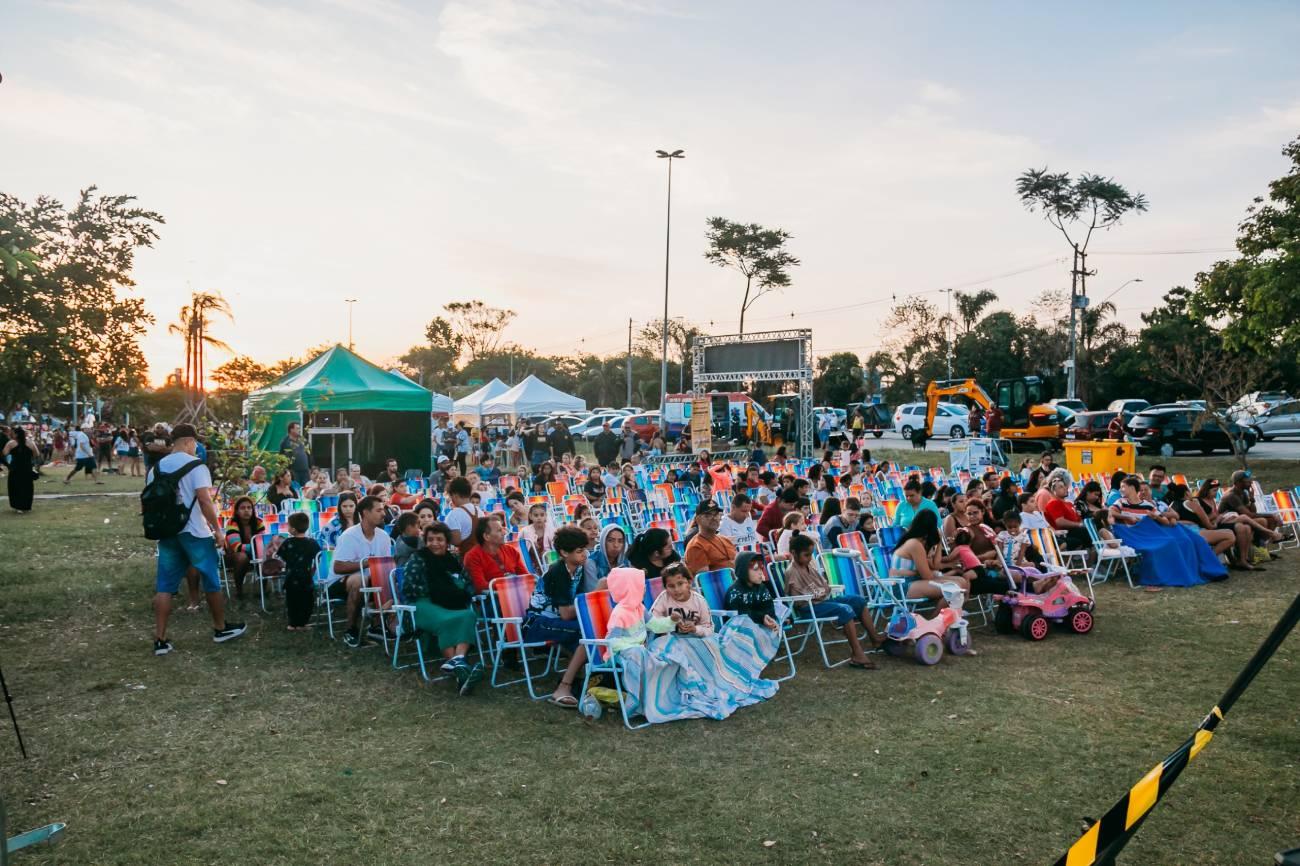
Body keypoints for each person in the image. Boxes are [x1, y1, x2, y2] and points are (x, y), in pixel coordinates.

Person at [148, 424, 245, 655]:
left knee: (165, 586)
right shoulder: (197, 466)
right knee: (211, 579)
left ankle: (160, 640)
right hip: (195, 532)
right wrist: (218, 531)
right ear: (189, 441)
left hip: (168, 533)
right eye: (196, 442)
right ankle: (220, 629)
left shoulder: (156, 468)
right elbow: (204, 501)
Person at [402, 522, 483, 694]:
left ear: (447, 542)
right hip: (424, 604)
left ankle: (458, 664)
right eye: (430, 539)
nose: (434, 543)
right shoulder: (418, 559)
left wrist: (455, 593)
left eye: (439, 539)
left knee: (468, 615)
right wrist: (436, 591)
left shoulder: (453, 560)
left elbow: (468, 584)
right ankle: (460, 666)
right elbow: (408, 588)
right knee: (448, 621)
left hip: (450, 603)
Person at [1108, 476, 1227, 587]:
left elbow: (1166, 520)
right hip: (1136, 535)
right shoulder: (1121, 502)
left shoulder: (1148, 505)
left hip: (1151, 533)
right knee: (1171, 543)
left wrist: (1155, 517)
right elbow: (1111, 512)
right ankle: (1170, 575)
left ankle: (1196, 571)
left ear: (1132, 488)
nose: (1120, 489)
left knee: (1184, 541)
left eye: (1123, 486)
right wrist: (1128, 518)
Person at [783, 533, 880, 667]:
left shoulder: (808, 566)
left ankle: (875, 638)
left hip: (821, 602)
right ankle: (857, 654)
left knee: (858, 600)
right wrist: (821, 593)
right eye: (806, 555)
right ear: (794, 553)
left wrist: (822, 592)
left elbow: (824, 586)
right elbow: (798, 599)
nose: (809, 558)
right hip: (809, 608)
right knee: (845, 609)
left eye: (811, 554)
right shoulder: (792, 572)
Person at [524, 525, 590, 707]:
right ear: (564, 553)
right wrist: (592, 600)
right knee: (587, 634)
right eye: (579, 551)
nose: (584, 554)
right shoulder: (559, 572)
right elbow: (567, 613)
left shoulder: (577, 568)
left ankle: (577, 681)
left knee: (590, 632)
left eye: (584, 549)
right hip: (537, 624)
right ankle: (564, 687)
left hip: (554, 621)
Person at [331, 495, 395, 647]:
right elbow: (338, 567)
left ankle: (377, 625)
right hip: (340, 583)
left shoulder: (384, 537)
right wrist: (367, 563)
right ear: (365, 513)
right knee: (360, 579)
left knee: (388, 577)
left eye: (383, 510)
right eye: (379, 510)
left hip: (370, 580)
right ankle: (350, 630)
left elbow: (384, 567)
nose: (383, 514)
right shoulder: (349, 536)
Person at [888, 509, 967, 607]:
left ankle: (948, 616)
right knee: (955, 589)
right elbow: (927, 576)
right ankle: (937, 618)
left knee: (962, 582)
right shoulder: (914, 544)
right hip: (902, 587)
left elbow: (935, 566)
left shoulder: (917, 542)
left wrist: (939, 542)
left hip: (913, 580)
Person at [1166, 483, 1244, 565]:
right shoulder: (1191, 503)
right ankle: (1207, 560)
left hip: (1179, 533)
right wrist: (1218, 519)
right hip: (1193, 532)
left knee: (1227, 532)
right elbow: (1210, 526)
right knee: (1230, 536)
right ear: (1186, 493)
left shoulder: (1171, 505)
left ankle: (1210, 560)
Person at [277, 511, 321, 631]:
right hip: (306, 577)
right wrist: (314, 570)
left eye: (288, 525)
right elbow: (319, 558)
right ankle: (302, 623)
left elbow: (280, 557)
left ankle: (293, 623)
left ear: (293, 529)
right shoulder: (312, 543)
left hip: (291, 577)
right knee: (307, 601)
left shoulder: (288, 542)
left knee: (292, 601)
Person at [464, 515, 528, 593]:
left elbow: (525, 576)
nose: (504, 533)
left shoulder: (511, 551)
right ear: (486, 536)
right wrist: (506, 584)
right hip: (493, 599)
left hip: (518, 593)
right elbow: (480, 586)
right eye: (499, 530)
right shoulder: (472, 557)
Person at [1219, 470, 1284, 545]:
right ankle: (1258, 544)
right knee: (1262, 521)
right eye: (1247, 481)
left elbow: (1253, 512)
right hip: (1227, 523)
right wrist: (1272, 514)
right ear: (1238, 483)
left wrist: (1252, 499)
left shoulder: (1243, 493)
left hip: (1241, 518)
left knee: (1272, 520)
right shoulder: (1231, 496)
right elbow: (1249, 515)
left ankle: (1261, 544)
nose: (1251, 483)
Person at [650, 563, 713, 636]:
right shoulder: (664, 597)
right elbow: (651, 621)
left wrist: (695, 629)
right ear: (665, 588)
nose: (676, 589)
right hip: (669, 642)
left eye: (680, 584)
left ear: (689, 583)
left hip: (695, 641)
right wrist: (670, 621)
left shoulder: (700, 601)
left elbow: (709, 629)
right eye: (671, 586)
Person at [725, 552, 780, 631]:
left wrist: (771, 619)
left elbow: (769, 606)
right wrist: (762, 618)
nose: (760, 572)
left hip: (761, 624)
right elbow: (741, 616)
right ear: (743, 570)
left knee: (778, 608)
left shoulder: (761, 587)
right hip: (739, 632)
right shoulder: (735, 593)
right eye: (755, 568)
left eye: (761, 567)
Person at [223, 496, 265, 600]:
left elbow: (263, 544)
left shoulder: (259, 522)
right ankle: (239, 590)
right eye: (242, 508)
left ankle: (262, 590)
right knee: (242, 557)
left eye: (249, 507)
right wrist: (256, 547)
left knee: (264, 554)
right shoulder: (232, 523)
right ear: (237, 511)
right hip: (231, 556)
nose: (246, 510)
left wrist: (260, 549)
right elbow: (236, 547)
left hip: (253, 554)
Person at [683, 501, 738, 575]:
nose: (714, 518)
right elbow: (705, 581)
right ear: (698, 519)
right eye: (708, 515)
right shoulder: (696, 546)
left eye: (716, 515)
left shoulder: (726, 540)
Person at [1043, 477, 1092, 552]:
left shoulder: (1069, 503)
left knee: (1093, 525)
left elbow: (1078, 519)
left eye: (1065, 486)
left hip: (1074, 531)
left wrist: (1082, 523)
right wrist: (1079, 525)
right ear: (1053, 491)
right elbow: (1060, 522)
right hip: (1064, 533)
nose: (1065, 488)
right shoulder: (1054, 503)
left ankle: (1095, 553)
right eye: (1061, 487)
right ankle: (1093, 556)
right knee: (1085, 531)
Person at [442, 477, 482, 555]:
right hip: (481, 555)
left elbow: (456, 541)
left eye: (450, 496)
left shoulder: (453, 515)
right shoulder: (479, 510)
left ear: (455, 495)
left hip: (466, 556)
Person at [583, 524, 629, 591]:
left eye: (620, 541)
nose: (616, 545)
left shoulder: (626, 562)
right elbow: (591, 595)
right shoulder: (591, 563)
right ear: (603, 541)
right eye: (610, 540)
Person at [4, 426, 36, 514]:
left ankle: (18, 506)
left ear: (17, 434)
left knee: (15, 486)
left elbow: (4, 453)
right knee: (27, 486)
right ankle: (26, 505)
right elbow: (36, 453)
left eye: (13, 433)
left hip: (15, 468)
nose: (12, 434)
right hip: (27, 467)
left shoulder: (11, 443)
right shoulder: (30, 443)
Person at [279, 422, 311, 487]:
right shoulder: (285, 442)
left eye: (299, 428)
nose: (299, 430)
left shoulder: (303, 440)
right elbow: (281, 457)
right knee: (295, 489)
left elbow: (309, 454)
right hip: (293, 472)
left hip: (305, 471)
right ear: (291, 430)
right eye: (297, 428)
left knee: (306, 488)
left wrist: (311, 467)